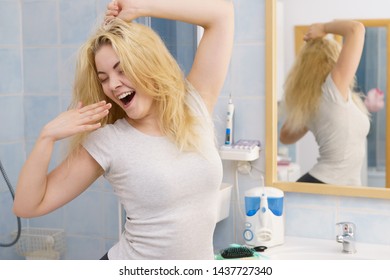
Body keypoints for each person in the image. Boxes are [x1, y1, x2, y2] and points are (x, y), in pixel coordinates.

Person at [13, 0, 234, 260]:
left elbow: (222, 14)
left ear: (149, 65)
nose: (114, 85)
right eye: (104, 78)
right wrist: (46, 137)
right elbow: (27, 206)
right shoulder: (109, 142)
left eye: (122, 70)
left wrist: (143, 7)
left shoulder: (193, 107)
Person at [279, 20, 370, 186]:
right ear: (333, 58)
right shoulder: (332, 89)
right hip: (327, 183)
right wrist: (323, 28)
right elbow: (356, 29)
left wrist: (309, 119)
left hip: (324, 182)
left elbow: (285, 137)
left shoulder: (319, 101)